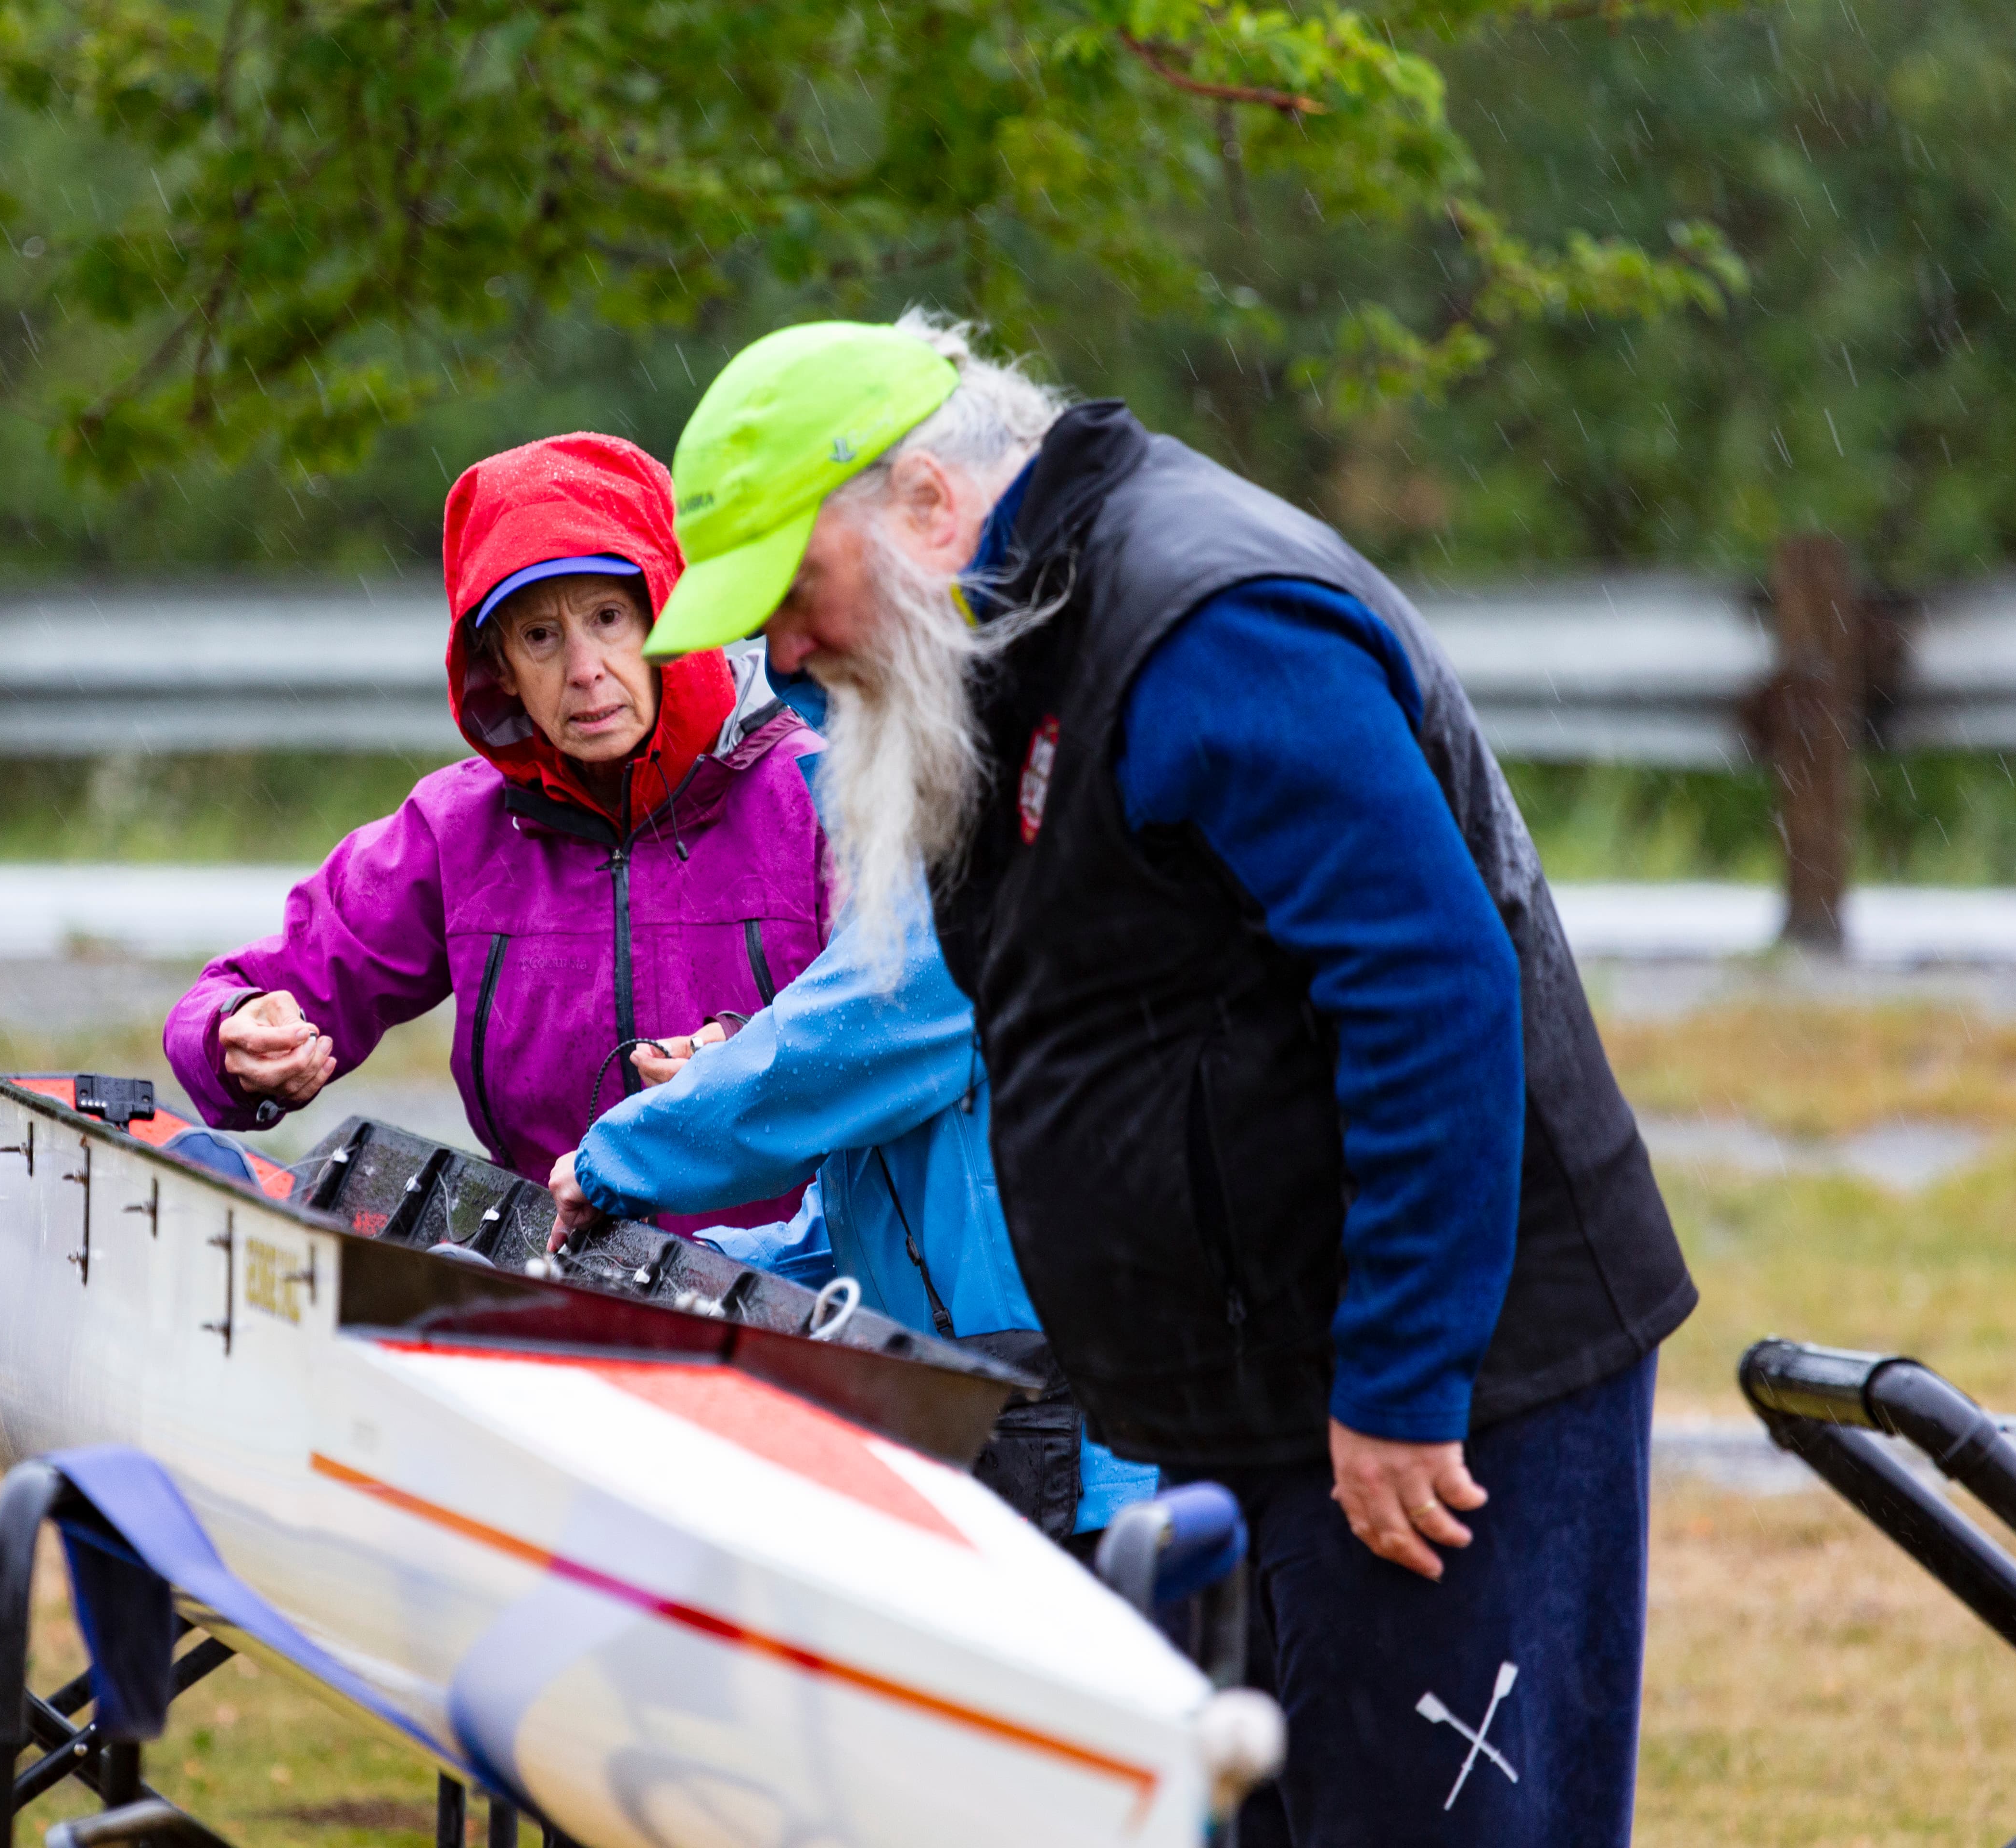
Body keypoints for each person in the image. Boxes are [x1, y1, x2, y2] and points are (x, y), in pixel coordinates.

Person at [639, 314, 1697, 1847]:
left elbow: (1432, 990)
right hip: (1260, 1394)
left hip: (1437, 1393)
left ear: (928, 505)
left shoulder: (1208, 623)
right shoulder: (1013, 643)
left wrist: (1403, 1385)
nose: (783, 655)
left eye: (794, 595)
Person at [545, 667, 1161, 1546]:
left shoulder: (977, 849)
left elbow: (837, 1045)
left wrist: (616, 1163)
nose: (779, 651)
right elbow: (902, 1200)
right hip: (1015, 1419)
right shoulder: (909, 829)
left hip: (1086, 1451)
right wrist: (698, 1272)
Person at [162, 433, 826, 1236]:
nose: (584, 670)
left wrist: (744, 1061)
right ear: (499, 665)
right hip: (552, 1278)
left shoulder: (818, 793)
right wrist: (233, 1036)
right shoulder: (457, 829)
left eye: (609, 618)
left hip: (806, 1288)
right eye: (541, 636)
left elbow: (899, 1031)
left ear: (669, 616)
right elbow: (253, 990)